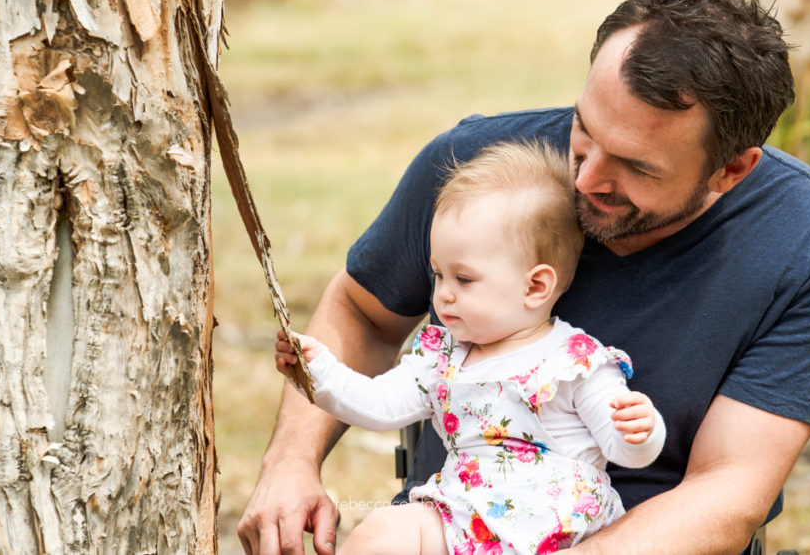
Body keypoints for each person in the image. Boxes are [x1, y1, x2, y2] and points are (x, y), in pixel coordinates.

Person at [237, 0, 810, 555]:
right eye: (585, 129)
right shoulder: (481, 171)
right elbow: (363, 311)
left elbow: (729, 489)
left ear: (729, 171)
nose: (585, 177)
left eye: (633, 166)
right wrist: (291, 462)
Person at [275, 141, 666, 554]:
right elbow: (379, 403)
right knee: (384, 532)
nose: (442, 295)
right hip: (461, 521)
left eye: (463, 279)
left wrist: (641, 433)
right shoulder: (442, 357)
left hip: (556, 534)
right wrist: (320, 372)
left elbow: (623, 451)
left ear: (535, 286)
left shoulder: (573, 362)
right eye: (438, 274)